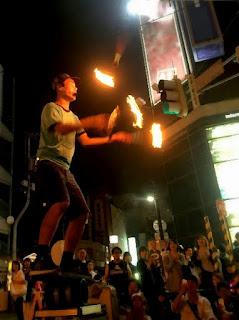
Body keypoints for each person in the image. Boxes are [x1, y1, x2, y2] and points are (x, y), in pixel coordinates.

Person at [33, 73, 132, 271]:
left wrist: (112, 139)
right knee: (62, 202)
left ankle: (67, 259)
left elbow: (85, 141)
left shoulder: (74, 117)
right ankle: (42, 254)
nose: (76, 89)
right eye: (71, 85)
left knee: (82, 212)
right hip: (47, 162)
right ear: (60, 87)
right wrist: (91, 121)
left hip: (65, 168)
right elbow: (60, 129)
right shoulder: (51, 108)